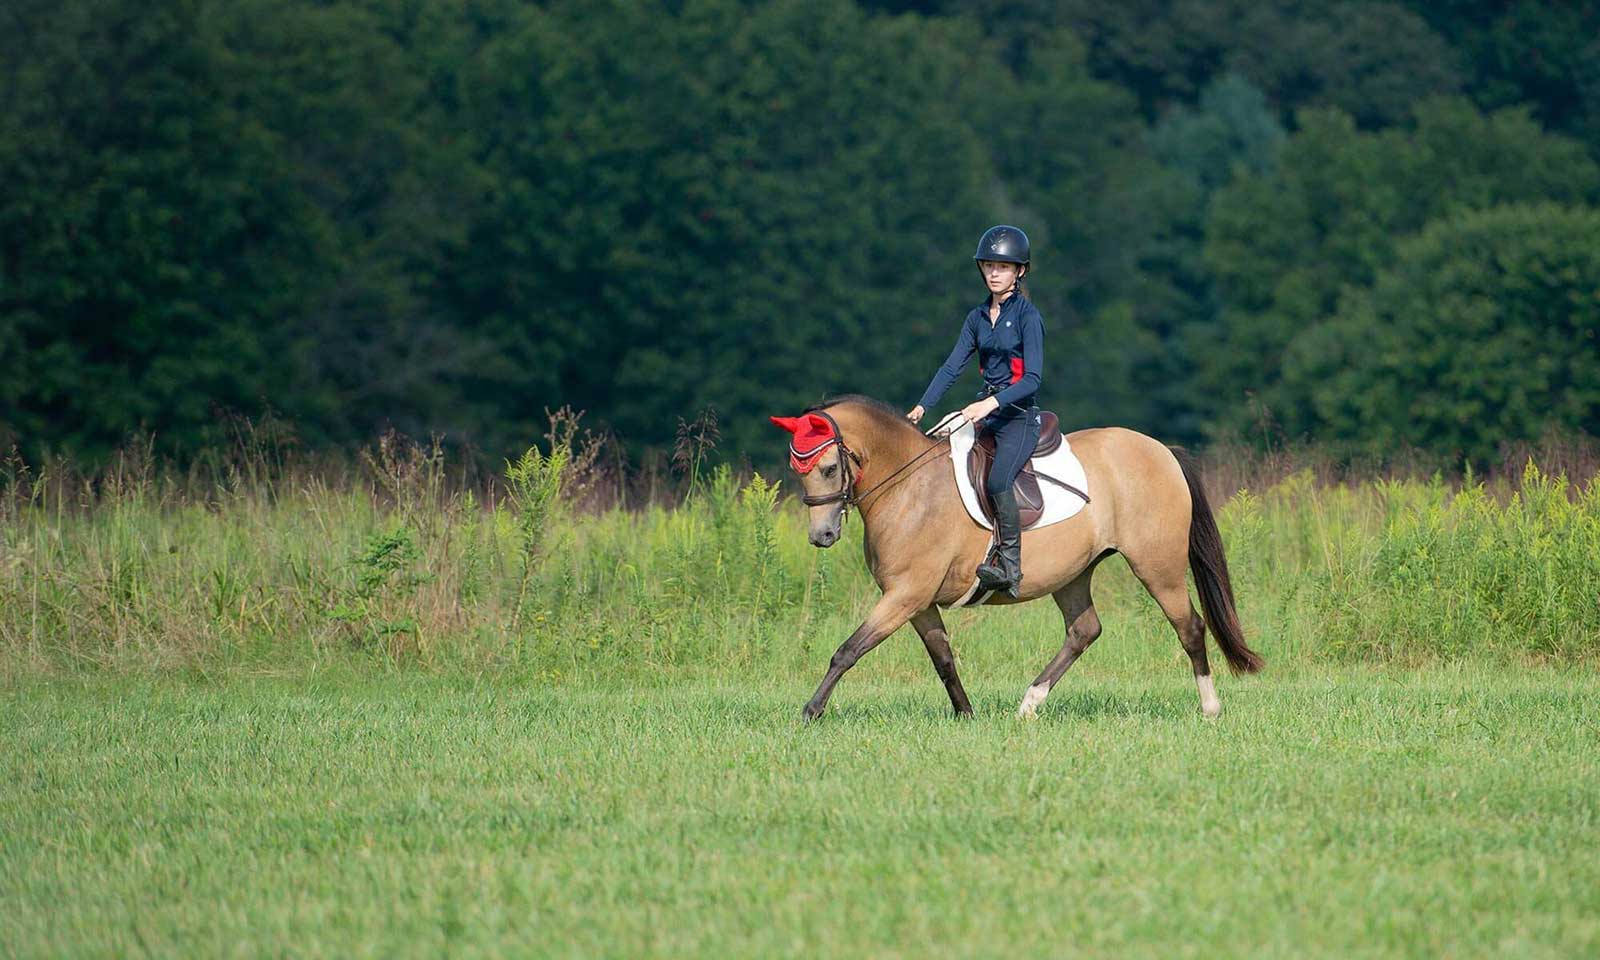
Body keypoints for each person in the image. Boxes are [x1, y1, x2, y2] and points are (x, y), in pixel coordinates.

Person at [906, 225, 1044, 598]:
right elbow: (952, 367)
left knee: (998, 481)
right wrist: (922, 406)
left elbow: (1032, 379)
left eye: (1003, 267)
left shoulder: (1029, 317)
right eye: (988, 266)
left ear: (1020, 271)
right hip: (985, 415)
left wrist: (989, 403)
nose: (994, 273)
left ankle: (1010, 568)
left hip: (1017, 417)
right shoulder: (976, 318)